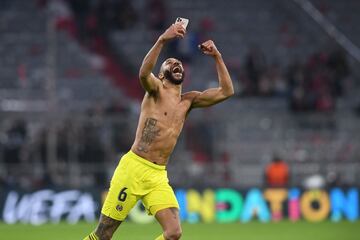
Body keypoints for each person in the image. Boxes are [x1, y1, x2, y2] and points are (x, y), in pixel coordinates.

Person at [83, 22, 234, 240]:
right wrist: (163, 39)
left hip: (157, 176)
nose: (176, 64)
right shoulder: (155, 90)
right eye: (170, 63)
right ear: (161, 75)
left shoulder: (189, 101)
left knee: (174, 233)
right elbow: (144, 72)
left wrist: (217, 57)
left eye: (179, 63)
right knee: (104, 234)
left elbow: (226, 91)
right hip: (133, 169)